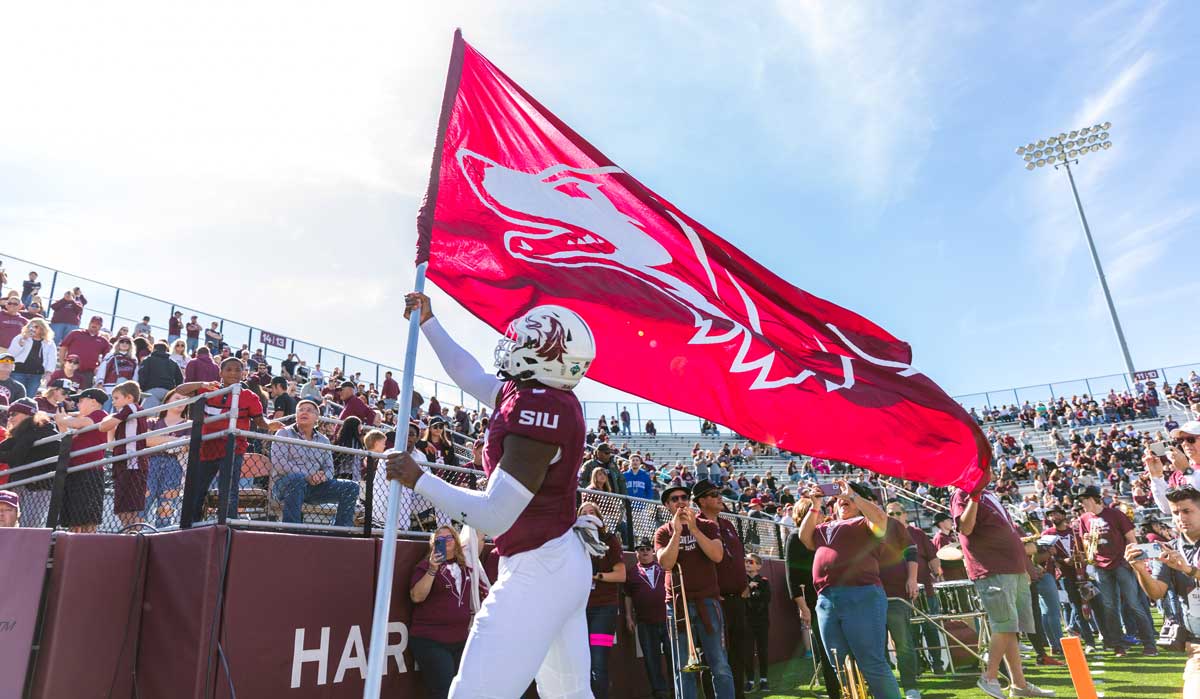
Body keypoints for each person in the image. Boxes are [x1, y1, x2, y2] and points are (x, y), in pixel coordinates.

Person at [386, 292, 599, 698]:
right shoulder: (540, 394)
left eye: (522, 342)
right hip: (558, 557)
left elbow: (496, 515)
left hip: (540, 565)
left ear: (544, 355)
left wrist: (421, 479)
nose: (511, 346)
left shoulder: (541, 410)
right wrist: (430, 322)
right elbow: (470, 376)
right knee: (567, 694)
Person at [951, 474, 1054, 698]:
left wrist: (1025, 568)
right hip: (992, 569)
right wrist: (974, 498)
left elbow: (1011, 535)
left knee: (1011, 629)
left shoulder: (989, 495)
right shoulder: (962, 495)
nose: (987, 473)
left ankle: (1019, 685)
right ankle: (989, 676)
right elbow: (965, 528)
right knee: (1005, 625)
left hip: (1012, 568)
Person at [799, 479, 902, 699]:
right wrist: (815, 504)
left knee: (871, 662)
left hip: (861, 593)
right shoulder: (823, 526)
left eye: (848, 497)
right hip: (826, 599)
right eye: (838, 499)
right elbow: (804, 538)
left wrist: (852, 494)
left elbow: (881, 518)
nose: (842, 500)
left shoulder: (866, 522)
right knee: (839, 664)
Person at [174, 358, 283, 522]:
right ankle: (192, 524)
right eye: (229, 369)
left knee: (229, 488)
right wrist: (203, 384)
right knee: (197, 489)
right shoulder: (209, 391)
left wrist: (271, 425)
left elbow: (260, 421)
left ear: (244, 373)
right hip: (207, 449)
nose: (233, 373)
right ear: (220, 372)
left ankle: (227, 524)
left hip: (233, 448)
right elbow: (180, 389)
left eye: (238, 370)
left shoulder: (249, 397)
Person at [655, 483, 735, 699]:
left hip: (707, 601)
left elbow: (717, 556)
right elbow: (666, 563)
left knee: (719, 664)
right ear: (667, 505)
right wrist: (678, 533)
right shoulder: (663, 532)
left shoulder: (707, 525)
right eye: (674, 499)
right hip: (677, 605)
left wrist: (694, 529)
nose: (681, 502)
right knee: (682, 667)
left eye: (684, 497)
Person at [1127, 485, 1200, 697]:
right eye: (1176, 513)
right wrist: (1140, 570)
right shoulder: (1168, 549)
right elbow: (1156, 593)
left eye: (1187, 511)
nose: (1180, 518)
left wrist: (1188, 570)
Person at [1076, 484, 1157, 656]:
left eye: (1083, 500)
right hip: (1100, 566)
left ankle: (1149, 643)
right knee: (1109, 606)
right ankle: (1118, 645)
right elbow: (1084, 544)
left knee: (1134, 603)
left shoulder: (1115, 514)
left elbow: (1131, 539)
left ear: (1093, 498)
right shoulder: (1083, 519)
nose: (1082, 504)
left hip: (1121, 563)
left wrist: (1131, 561)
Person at [409, 525, 487, 699]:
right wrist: (432, 569)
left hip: (460, 640)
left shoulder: (465, 563)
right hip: (432, 640)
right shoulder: (425, 566)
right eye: (440, 539)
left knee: (464, 691)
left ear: (457, 541)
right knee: (443, 692)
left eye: (449, 537)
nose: (445, 541)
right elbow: (417, 596)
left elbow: (478, 537)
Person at [694, 478, 748, 698]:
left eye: (719, 494)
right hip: (714, 601)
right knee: (715, 655)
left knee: (739, 652)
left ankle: (738, 694)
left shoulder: (727, 524)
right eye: (714, 494)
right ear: (702, 501)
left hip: (737, 598)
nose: (720, 498)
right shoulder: (695, 526)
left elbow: (738, 557)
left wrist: (744, 584)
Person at [270, 400, 360, 527]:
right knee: (298, 478)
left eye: (309, 410)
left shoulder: (324, 440)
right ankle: (292, 529)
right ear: (296, 415)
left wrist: (323, 477)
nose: (304, 412)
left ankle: (340, 529)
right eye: (301, 409)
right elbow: (279, 463)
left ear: (317, 418)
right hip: (284, 486)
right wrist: (308, 475)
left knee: (352, 487)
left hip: (314, 487)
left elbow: (329, 469)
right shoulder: (284, 433)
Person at [785, 499, 840, 699]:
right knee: (827, 652)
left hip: (836, 596)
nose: (819, 514)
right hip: (813, 600)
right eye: (813, 511)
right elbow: (791, 575)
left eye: (820, 510)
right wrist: (803, 607)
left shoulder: (825, 535)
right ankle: (836, 693)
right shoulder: (794, 537)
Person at [578, 501, 625, 699]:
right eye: (584, 513)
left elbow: (621, 575)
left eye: (592, 513)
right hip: (577, 610)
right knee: (579, 662)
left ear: (600, 518)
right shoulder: (572, 540)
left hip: (604, 610)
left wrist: (595, 576)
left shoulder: (610, 539)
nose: (589, 516)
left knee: (598, 661)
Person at [880, 501, 922, 699]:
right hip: (868, 596)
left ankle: (910, 687)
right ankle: (885, 689)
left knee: (903, 643)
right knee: (876, 647)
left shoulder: (893, 526)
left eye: (898, 513)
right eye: (891, 512)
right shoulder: (857, 526)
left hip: (896, 594)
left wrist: (912, 579)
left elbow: (912, 551)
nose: (894, 515)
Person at [54, 388, 109, 533]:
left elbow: (80, 423)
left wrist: (63, 418)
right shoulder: (80, 421)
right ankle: (73, 547)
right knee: (74, 518)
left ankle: (86, 548)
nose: (78, 404)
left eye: (81, 401)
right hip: (74, 472)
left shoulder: (100, 414)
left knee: (87, 519)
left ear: (93, 402)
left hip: (89, 473)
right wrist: (62, 421)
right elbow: (65, 434)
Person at [97, 381, 149, 526]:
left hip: (131, 464)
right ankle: (131, 533)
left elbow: (103, 427)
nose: (113, 402)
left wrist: (108, 419)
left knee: (125, 507)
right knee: (126, 506)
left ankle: (130, 534)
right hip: (126, 463)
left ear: (129, 398)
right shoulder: (127, 412)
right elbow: (110, 438)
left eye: (116, 398)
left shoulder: (130, 408)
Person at [625, 537, 672, 699]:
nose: (644, 552)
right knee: (651, 660)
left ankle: (677, 689)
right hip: (645, 622)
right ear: (636, 553)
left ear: (653, 551)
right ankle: (660, 692)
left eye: (647, 549)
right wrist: (628, 617)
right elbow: (628, 596)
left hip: (667, 620)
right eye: (641, 549)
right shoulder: (632, 573)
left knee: (673, 656)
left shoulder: (664, 567)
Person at [0, 398, 57, 527]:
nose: (10, 418)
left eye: (14, 414)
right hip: (23, 484)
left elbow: (15, 457)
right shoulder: (22, 432)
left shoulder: (38, 429)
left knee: (28, 526)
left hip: (39, 486)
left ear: (27, 414)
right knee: (15, 525)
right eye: (9, 415)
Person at [143, 389, 189, 527]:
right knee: (143, 501)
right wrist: (176, 439)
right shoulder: (152, 421)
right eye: (177, 397)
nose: (181, 401)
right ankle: (135, 532)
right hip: (151, 463)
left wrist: (160, 440)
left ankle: (163, 535)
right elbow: (147, 441)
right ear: (167, 400)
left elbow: (187, 446)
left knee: (167, 505)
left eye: (184, 399)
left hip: (175, 465)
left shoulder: (190, 424)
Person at [743, 553, 772, 692]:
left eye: (751, 562)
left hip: (761, 621)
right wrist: (749, 587)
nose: (747, 564)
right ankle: (749, 680)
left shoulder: (764, 581)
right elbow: (741, 598)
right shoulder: (742, 581)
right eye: (746, 561)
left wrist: (754, 594)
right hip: (746, 621)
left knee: (763, 650)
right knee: (747, 651)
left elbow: (766, 599)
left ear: (759, 566)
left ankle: (764, 680)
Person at [7, 318, 57, 397]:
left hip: (36, 375)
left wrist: (48, 373)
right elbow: (11, 353)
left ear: (42, 328)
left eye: (36, 327)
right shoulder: (20, 337)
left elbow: (52, 359)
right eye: (31, 326)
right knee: (16, 395)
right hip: (18, 371)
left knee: (29, 397)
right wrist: (22, 341)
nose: (33, 329)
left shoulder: (49, 342)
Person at [59, 316, 110, 388]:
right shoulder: (76, 333)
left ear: (101, 326)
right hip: (70, 368)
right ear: (89, 323)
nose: (94, 325)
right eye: (93, 322)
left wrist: (99, 368)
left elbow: (106, 358)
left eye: (97, 324)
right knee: (63, 391)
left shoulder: (103, 341)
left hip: (88, 373)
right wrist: (62, 361)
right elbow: (63, 347)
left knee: (83, 395)